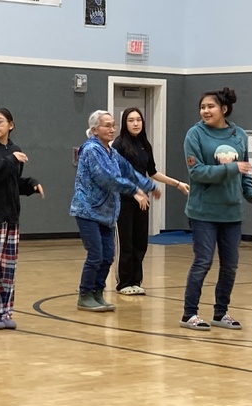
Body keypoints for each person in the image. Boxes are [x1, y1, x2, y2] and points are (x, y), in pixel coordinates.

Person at [180, 87, 252, 332]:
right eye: (202, 107)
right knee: (203, 262)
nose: (205, 111)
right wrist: (232, 169)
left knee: (230, 265)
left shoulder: (238, 134)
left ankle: (221, 312)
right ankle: (190, 314)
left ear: (224, 109)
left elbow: (245, 174)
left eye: (210, 107)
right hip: (203, 212)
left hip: (231, 213)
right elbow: (197, 172)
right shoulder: (195, 135)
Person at [70, 110, 158, 313]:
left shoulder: (111, 151)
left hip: (107, 213)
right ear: (94, 130)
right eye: (107, 125)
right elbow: (107, 178)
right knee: (95, 255)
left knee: (108, 255)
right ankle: (85, 295)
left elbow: (128, 170)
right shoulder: (91, 150)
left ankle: (97, 292)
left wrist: (149, 185)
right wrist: (135, 190)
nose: (112, 129)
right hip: (88, 211)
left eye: (113, 125)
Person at [0, 108, 44, 330]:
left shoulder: (15, 150)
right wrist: (9, 160)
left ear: (10, 125)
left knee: (7, 270)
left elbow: (11, 181)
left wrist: (30, 184)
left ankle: (3, 313)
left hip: (10, 218)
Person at [112, 107, 189, 295]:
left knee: (140, 242)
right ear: (125, 123)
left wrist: (177, 183)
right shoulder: (119, 145)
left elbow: (152, 172)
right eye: (131, 120)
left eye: (138, 119)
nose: (136, 123)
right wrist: (134, 192)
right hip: (124, 199)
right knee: (126, 243)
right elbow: (117, 175)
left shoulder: (145, 145)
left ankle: (136, 281)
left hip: (142, 200)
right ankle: (123, 283)